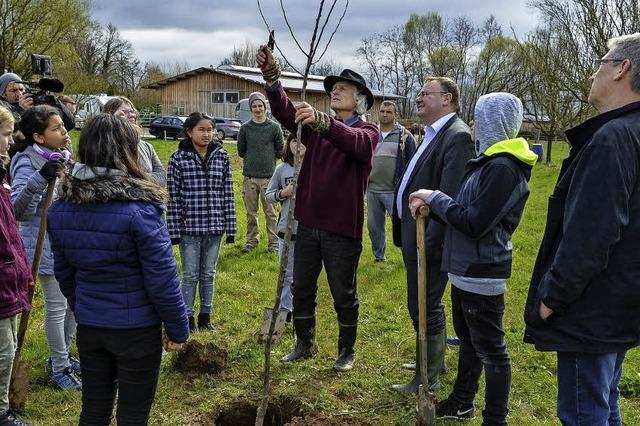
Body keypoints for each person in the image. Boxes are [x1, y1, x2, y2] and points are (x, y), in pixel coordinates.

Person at [524, 33, 640, 425]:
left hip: (590, 310)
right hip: (619, 305)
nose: (593, 74)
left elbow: (591, 236)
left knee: (584, 412)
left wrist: (550, 301)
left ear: (622, 69)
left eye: (600, 63)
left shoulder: (613, 138)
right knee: (605, 403)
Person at [47, 113, 189, 425]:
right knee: (133, 416)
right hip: (136, 333)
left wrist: (83, 307)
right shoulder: (141, 209)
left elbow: (65, 273)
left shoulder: (60, 208)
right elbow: (163, 279)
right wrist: (178, 328)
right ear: (127, 151)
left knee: (93, 412)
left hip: (91, 327)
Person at [410, 93, 537, 424]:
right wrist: (432, 205)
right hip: (465, 271)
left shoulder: (504, 168)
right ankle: (462, 402)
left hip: (482, 273)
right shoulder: (487, 163)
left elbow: (474, 222)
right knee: (469, 342)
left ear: (494, 122)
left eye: (479, 118)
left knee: (492, 352)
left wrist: (436, 198)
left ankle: (496, 419)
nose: (474, 125)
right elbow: (464, 212)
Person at [257, 45, 380, 372]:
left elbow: (353, 142)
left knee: (343, 292)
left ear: (361, 100)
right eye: (333, 89)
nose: (335, 92)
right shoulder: (317, 129)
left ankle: (346, 351)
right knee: (301, 287)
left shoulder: (367, 132)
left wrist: (322, 121)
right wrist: (272, 80)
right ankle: (304, 342)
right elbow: (285, 112)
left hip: (342, 228)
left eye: (342, 89)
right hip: (307, 223)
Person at [391, 77, 474, 393]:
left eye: (426, 93)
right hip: (414, 234)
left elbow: (449, 195)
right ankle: (430, 360)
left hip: (430, 240)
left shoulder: (457, 137)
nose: (418, 97)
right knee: (419, 303)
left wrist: (431, 243)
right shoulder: (431, 134)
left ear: (448, 99)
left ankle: (429, 375)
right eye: (419, 92)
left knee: (425, 304)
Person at [10, 105, 80, 391]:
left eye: (63, 126)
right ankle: (60, 368)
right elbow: (18, 210)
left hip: (67, 241)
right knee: (57, 306)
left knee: (72, 303)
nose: (64, 132)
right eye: (56, 128)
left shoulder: (63, 155)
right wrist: (41, 177)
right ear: (38, 137)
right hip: (42, 243)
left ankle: (62, 356)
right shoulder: (26, 161)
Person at [167, 112, 236, 332]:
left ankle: (206, 316)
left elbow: (228, 193)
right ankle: (187, 318)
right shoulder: (178, 159)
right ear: (189, 131)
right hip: (190, 228)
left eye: (210, 130)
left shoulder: (222, 156)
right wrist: (174, 230)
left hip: (215, 227)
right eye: (201, 129)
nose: (207, 134)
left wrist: (231, 227)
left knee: (209, 274)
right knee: (189, 275)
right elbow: (174, 197)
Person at [0, 105, 33, 426]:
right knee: (3, 351)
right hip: (1, 280)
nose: (11, 142)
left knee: (7, 348)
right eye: (7, 135)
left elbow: (11, 232)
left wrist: (23, 270)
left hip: (11, 277)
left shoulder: (1, 179)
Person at [367, 100, 416, 262]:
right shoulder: (371, 133)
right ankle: (379, 257)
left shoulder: (405, 136)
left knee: (402, 225)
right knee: (374, 227)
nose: (384, 114)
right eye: (382, 111)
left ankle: (408, 256)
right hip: (373, 189)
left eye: (389, 112)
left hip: (394, 191)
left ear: (396, 114)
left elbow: (412, 163)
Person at [237, 91, 283, 253]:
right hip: (249, 177)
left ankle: (274, 244)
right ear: (251, 109)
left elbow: (280, 151)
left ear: (265, 107)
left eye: (260, 105)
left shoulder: (274, 128)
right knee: (251, 213)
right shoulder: (245, 129)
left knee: (271, 213)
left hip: (269, 178)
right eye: (254, 106)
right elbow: (241, 151)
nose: (257, 109)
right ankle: (251, 241)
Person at [265, 134, 306, 317]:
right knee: (287, 272)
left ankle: (303, 310)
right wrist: (283, 192)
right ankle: (285, 309)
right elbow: (268, 195)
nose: (298, 144)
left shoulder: (317, 168)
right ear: (289, 144)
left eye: (303, 140)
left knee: (304, 275)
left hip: (310, 230)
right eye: (294, 140)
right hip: (287, 229)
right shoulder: (282, 169)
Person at [103, 96, 166, 186]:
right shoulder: (103, 146)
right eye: (124, 113)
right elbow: (106, 179)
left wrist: (135, 178)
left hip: (147, 198)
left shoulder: (147, 147)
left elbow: (162, 176)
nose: (132, 115)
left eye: (132, 111)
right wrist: (146, 179)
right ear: (109, 116)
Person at [0, 72, 75, 132]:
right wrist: (23, 111)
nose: (19, 94)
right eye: (13, 90)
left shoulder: (32, 100)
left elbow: (69, 125)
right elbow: (10, 132)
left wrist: (52, 100)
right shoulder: (2, 109)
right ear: (3, 94)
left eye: (21, 89)